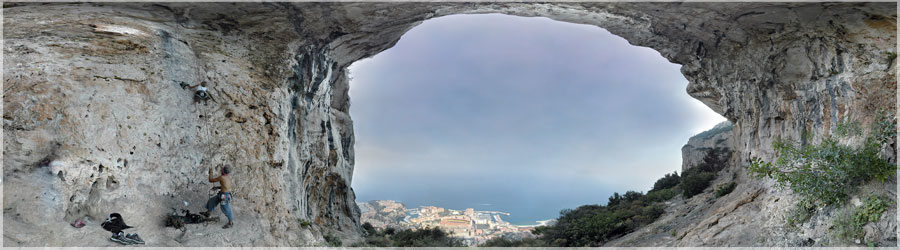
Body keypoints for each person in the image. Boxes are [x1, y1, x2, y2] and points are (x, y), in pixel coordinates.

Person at [201, 164, 234, 229]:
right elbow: (226, 186)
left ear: (223, 171)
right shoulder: (227, 177)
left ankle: (231, 223)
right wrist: (218, 187)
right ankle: (208, 213)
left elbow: (210, 180)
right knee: (212, 201)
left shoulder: (221, 177)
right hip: (224, 194)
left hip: (224, 196)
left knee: (226, 209)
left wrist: (210, 172)